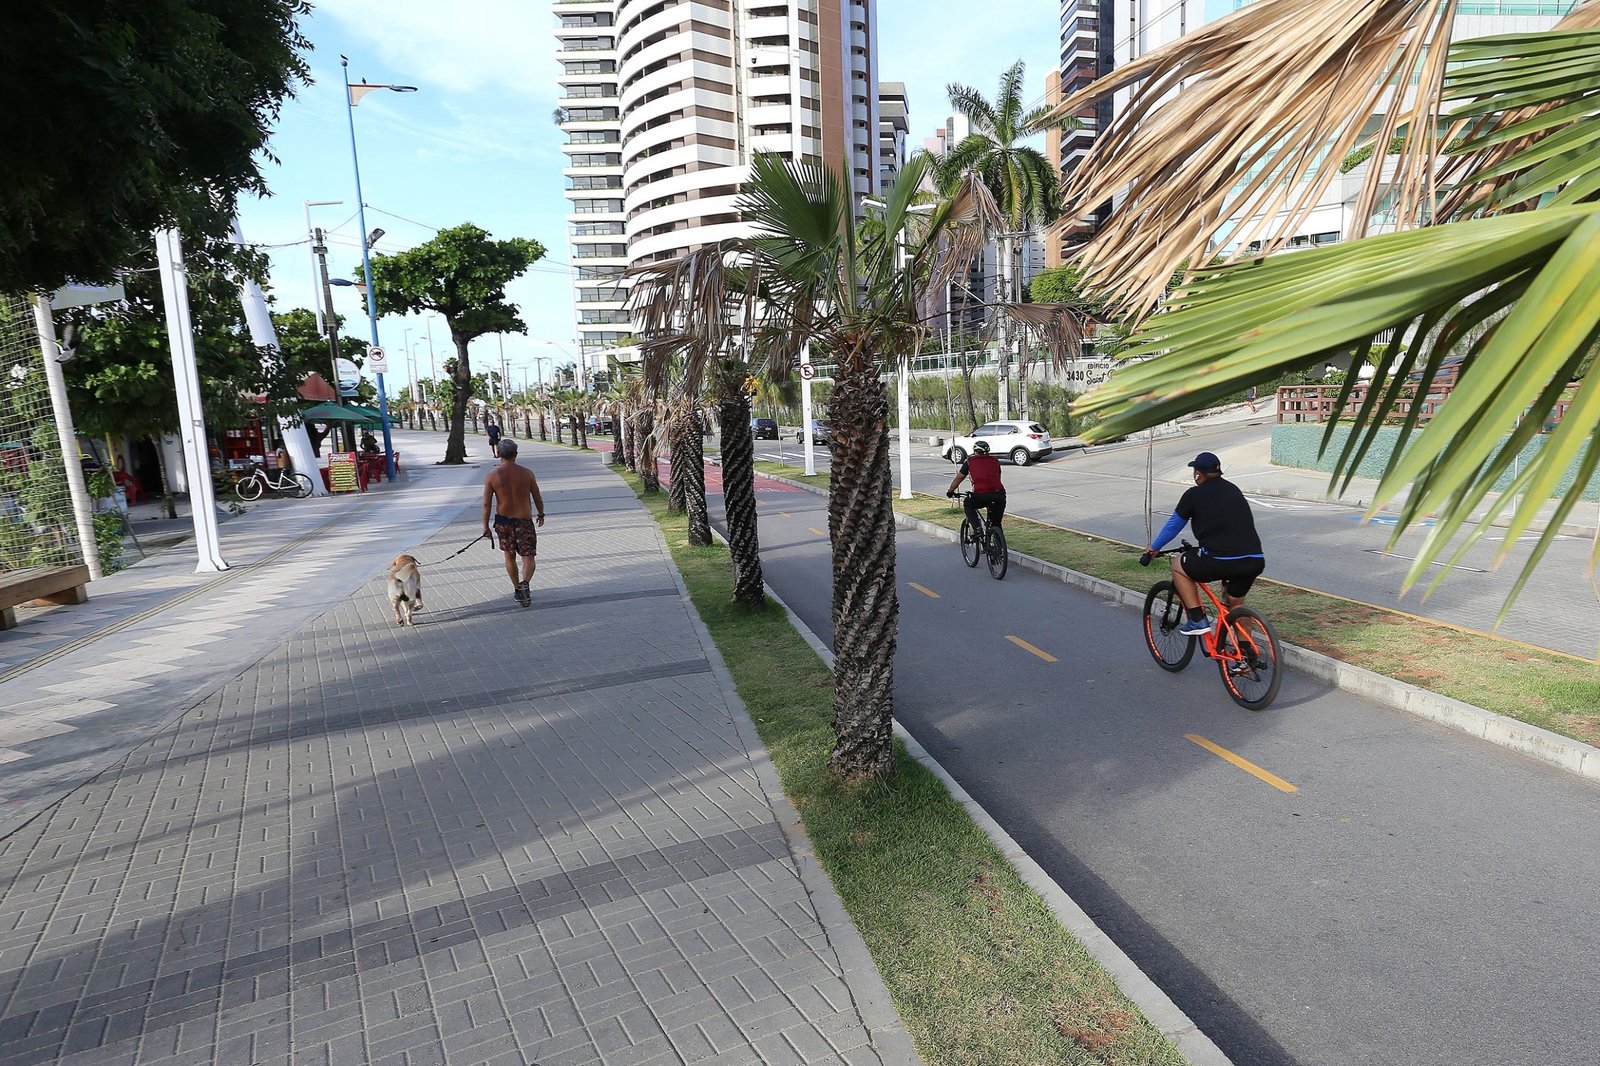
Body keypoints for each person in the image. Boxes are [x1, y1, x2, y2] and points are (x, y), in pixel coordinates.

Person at [1140, 451, 1264, 635]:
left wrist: (1154, 548)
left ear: (1198, 474)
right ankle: (1247, 657)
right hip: (1254, 560)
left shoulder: (1193, 495)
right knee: (1236, 604)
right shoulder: (1233, 489)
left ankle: (1197, 619)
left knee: (1177, 564)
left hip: (1220, 560)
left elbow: (1173, 526)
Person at [482, 438, 545, 607]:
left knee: (509, 555)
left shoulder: (491, 476)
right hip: (524, 519)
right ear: (515, 454)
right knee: (528, 555)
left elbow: (487, 504)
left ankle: (518, 588)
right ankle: (525, 583)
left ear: (498, 454)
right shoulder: (527, 473)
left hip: (503, 521)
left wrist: (485, 526)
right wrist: (541, 513)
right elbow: (536, 496)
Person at [945, 439, 1006, 536]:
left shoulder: (970, 462)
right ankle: (999, 548)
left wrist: (950, 491)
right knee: (996, 523)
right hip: (999, 495)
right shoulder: (995, 461)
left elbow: (959, 478)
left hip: (981, 495)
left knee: (968, 503)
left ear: (975, 451)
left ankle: (977, 529)